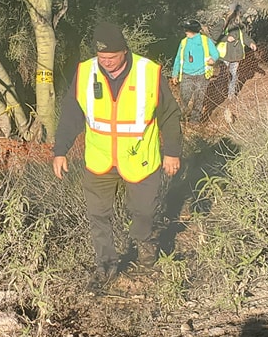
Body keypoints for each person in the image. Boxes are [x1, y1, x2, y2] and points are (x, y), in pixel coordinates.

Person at [52, 21, 183, 290]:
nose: (106, 62)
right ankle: (106, 265)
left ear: (125, 51)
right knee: (98, 216)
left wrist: (172, 152)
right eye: (101, 57)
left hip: (140, 159)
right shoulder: (85, 72)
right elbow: (71, 114)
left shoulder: (148, 72)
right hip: (99, 160)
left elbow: (169, 115)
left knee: (143, 211)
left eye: (111, 57)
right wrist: (60, 150)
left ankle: (145, 248)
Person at [172, 20, 220, 122]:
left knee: (199, 99)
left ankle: (195, 121)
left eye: (187, 30)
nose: (185, 32)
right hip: (186, 76)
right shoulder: (184, 42)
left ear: (193, 30)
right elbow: (178, 58)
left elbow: (215, 53)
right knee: (184, 99)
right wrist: (175, 73)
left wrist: (213, 59)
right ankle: (179, 120)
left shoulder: (205, 40)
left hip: (202, 76)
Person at [220, 20, 257, 97]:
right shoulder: (223, 24)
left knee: (234, 75)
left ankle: (231, 94)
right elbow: (215, 35)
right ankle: (220, 91)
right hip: (224, 55)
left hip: (236, 55)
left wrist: (251, 43)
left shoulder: (241, 26)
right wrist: (226, 38)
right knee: (223, 76)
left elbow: (245, 37)